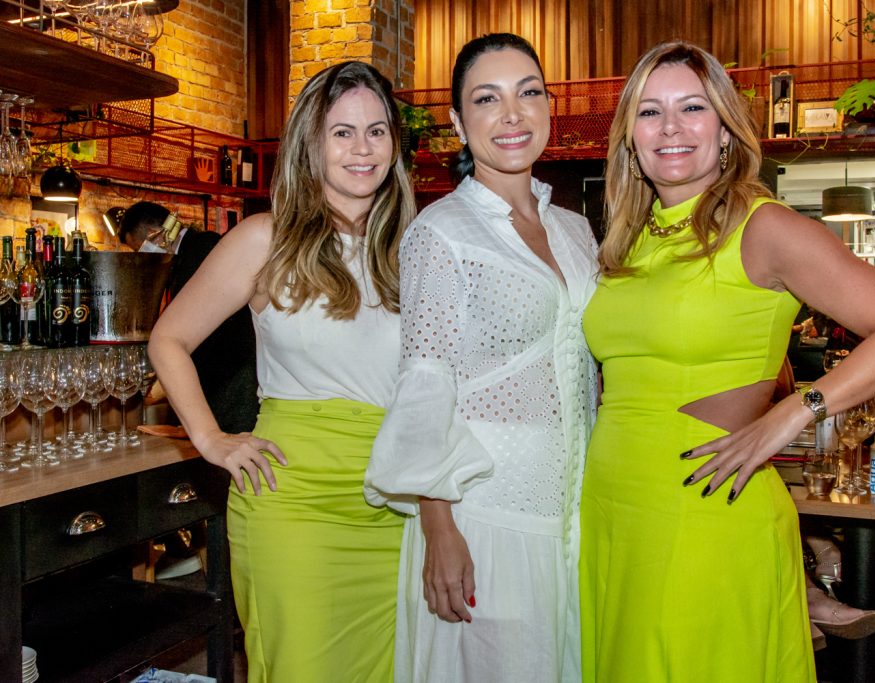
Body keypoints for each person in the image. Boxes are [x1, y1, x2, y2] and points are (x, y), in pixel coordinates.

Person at [579, 40, 875, 681]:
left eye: (692, 107)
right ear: (629, 138)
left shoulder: (763, 226)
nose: (670, 128)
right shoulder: (630, 239)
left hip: (704, 506)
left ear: (724, 128)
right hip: (613, 506)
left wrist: (794, 415)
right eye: (649, 111)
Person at [148, 61, 415, 681]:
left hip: (397, 500)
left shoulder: (416, 244)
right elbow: (168, 340)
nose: (362, 148)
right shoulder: (264, 239)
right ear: (310, 144)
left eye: (377, 131)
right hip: (295, 505)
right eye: (342, 132)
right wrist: (211, 440)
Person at [364, 33, 598, 682]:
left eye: (528, 93)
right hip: (485, 512)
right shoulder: (441, 233)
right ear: (459, 123)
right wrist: (440, 528)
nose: (513, 114)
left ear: (549, 105)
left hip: (573, 508)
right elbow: (424, 383)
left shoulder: (576, 232)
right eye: (487, 100)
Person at [120, 200, 259, 434]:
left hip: (231, 388)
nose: (142, 256)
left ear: (155, 234)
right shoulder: (191, 251)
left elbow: (208, 332)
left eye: (139, 249)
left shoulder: (204, 249)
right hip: (227, 385)